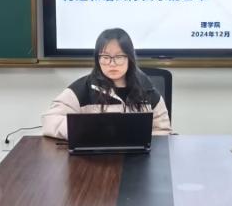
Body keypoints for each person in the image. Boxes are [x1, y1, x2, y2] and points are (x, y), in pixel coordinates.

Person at [43, 28, 171, 140]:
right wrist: (84, 131)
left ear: (130, 58)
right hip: (95, 156)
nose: (112, 64)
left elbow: (163, 130)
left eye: (119, 57)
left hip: (137, 156)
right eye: (105, 57)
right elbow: (50, 120)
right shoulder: (82, 89)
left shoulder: (147, 89)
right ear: (97, 59)